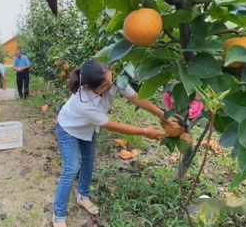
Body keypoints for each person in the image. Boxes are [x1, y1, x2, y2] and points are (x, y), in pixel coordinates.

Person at [52, 60, 184, 227]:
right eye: (106, 85)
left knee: (89, 161)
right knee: (71, 168)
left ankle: (83, 197)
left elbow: (136, 98)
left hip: (88, 128)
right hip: (68, 129)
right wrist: (145, 131)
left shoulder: (113, 79)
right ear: (88, 87)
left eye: (111, 79)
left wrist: (164, 115)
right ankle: (58, 215)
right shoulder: (82, 103)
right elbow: (111, 125)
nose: (111, 84)